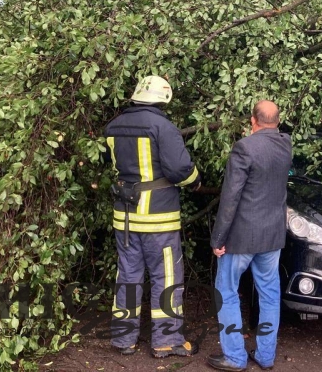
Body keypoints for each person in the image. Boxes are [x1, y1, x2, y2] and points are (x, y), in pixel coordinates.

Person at [103, 75, 202, 358]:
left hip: (125, 218)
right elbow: (180, 170)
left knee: (128, 277)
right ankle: (166, 341)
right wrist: (195, 181)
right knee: (166, 278)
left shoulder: (113, 127)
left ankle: (124, 339)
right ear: (163, 99)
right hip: (159, 218)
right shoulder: (163, 127)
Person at [206, 100, 292, 372]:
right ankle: (265, 356)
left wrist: (218, 238)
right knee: (269, 294)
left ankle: (234, 357)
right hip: (272, 236)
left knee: (227, 292)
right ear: (277, 121)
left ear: (253, 121)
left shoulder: (245, 147)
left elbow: (230, 198)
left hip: (241, 237)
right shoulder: (286, 145)